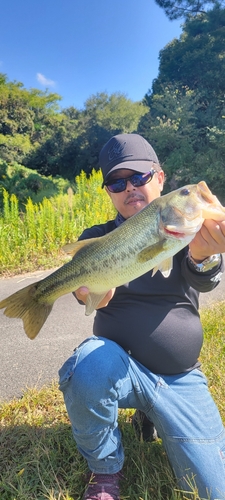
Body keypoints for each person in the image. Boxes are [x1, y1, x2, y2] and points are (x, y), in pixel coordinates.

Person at [59, 133, 225, 500]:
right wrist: (88, 293)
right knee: (87, 364)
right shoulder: (97, 238)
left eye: (140, 177)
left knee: (214, 492)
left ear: (160, 178)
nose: (130, 187)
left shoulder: (183, 229)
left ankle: (152, 416)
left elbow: (207, 277)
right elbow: (83, 290)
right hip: (119, 371)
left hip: (181, 377)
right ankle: (105, 469)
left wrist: (205, 256)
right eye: (117, 182)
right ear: (109, 191)